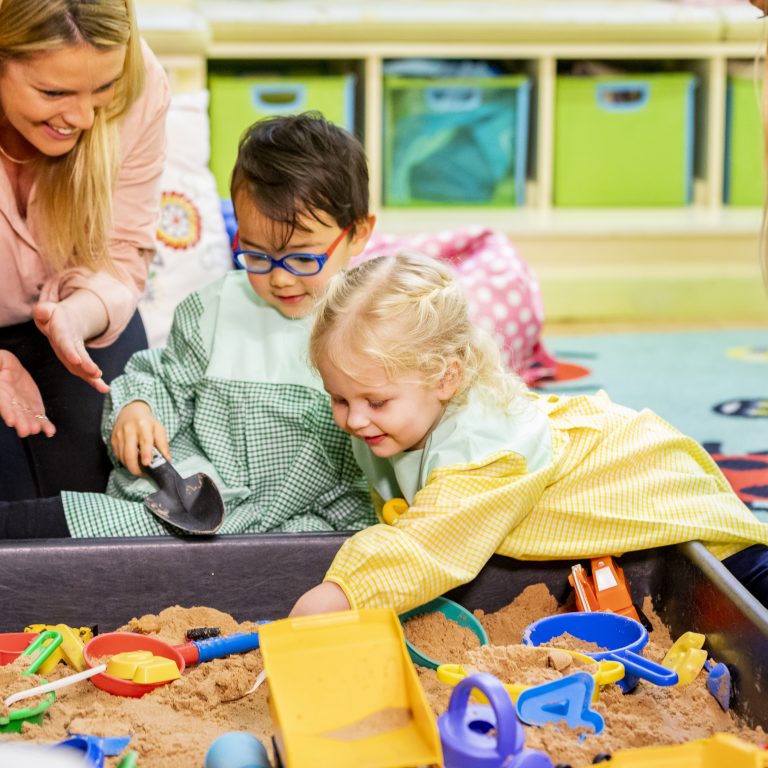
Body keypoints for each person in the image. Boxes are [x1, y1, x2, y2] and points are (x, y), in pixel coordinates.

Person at [290, 252, 768, 616]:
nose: (354, 419)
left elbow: (424, 547)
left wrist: (338, 596)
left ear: (445, 378)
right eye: (340, 399)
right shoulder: (389, 421)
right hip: (617, 491)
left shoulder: (483, 452)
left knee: (744, 589)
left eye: (375, 402)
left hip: (658, 493)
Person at [0, 112, 377, 538]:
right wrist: (137, 409)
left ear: (359, 233)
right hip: (187, 505)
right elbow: (161, 377)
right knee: (79, 526)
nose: (280, 278)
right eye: (256, 256)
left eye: (303, 258)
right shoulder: (216, 308)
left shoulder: (378, 325)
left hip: (304, 527)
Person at [0, 0, 170, 500]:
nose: (82, 118)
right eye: (53, 91)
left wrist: (78, 316)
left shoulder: (143, 83)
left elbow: (122, 254)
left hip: (78, 322)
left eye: (103, 91)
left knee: (110, 501)